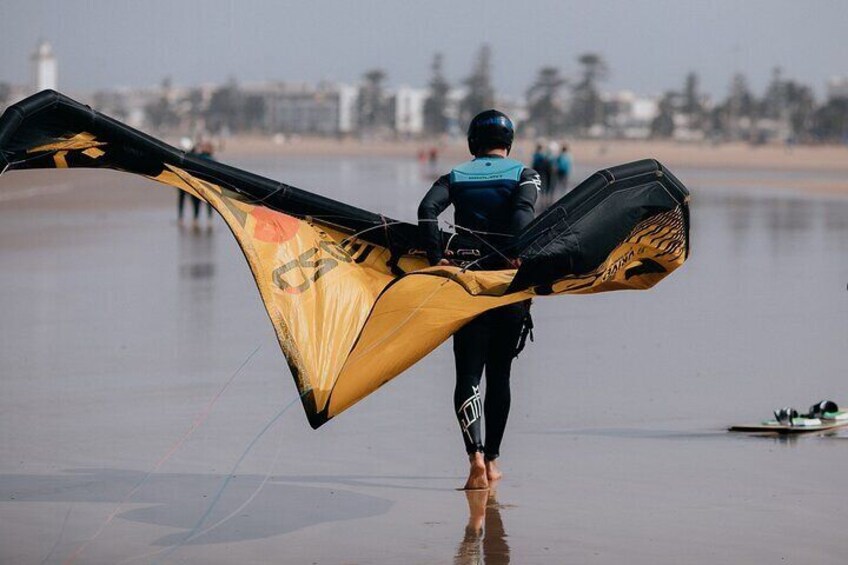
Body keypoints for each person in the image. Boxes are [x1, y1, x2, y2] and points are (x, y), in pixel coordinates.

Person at [418, 110, 539, 490]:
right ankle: (492, 462)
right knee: (499, 373)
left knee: (468, 372)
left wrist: (436, 255)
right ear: (510, 141)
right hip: (505, 286)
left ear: (473, 142)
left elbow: (427, 211)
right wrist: (515, 254)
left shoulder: (454, 176)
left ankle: (473, 456)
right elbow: (522, 214)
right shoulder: (525, 175)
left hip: (465, 287)